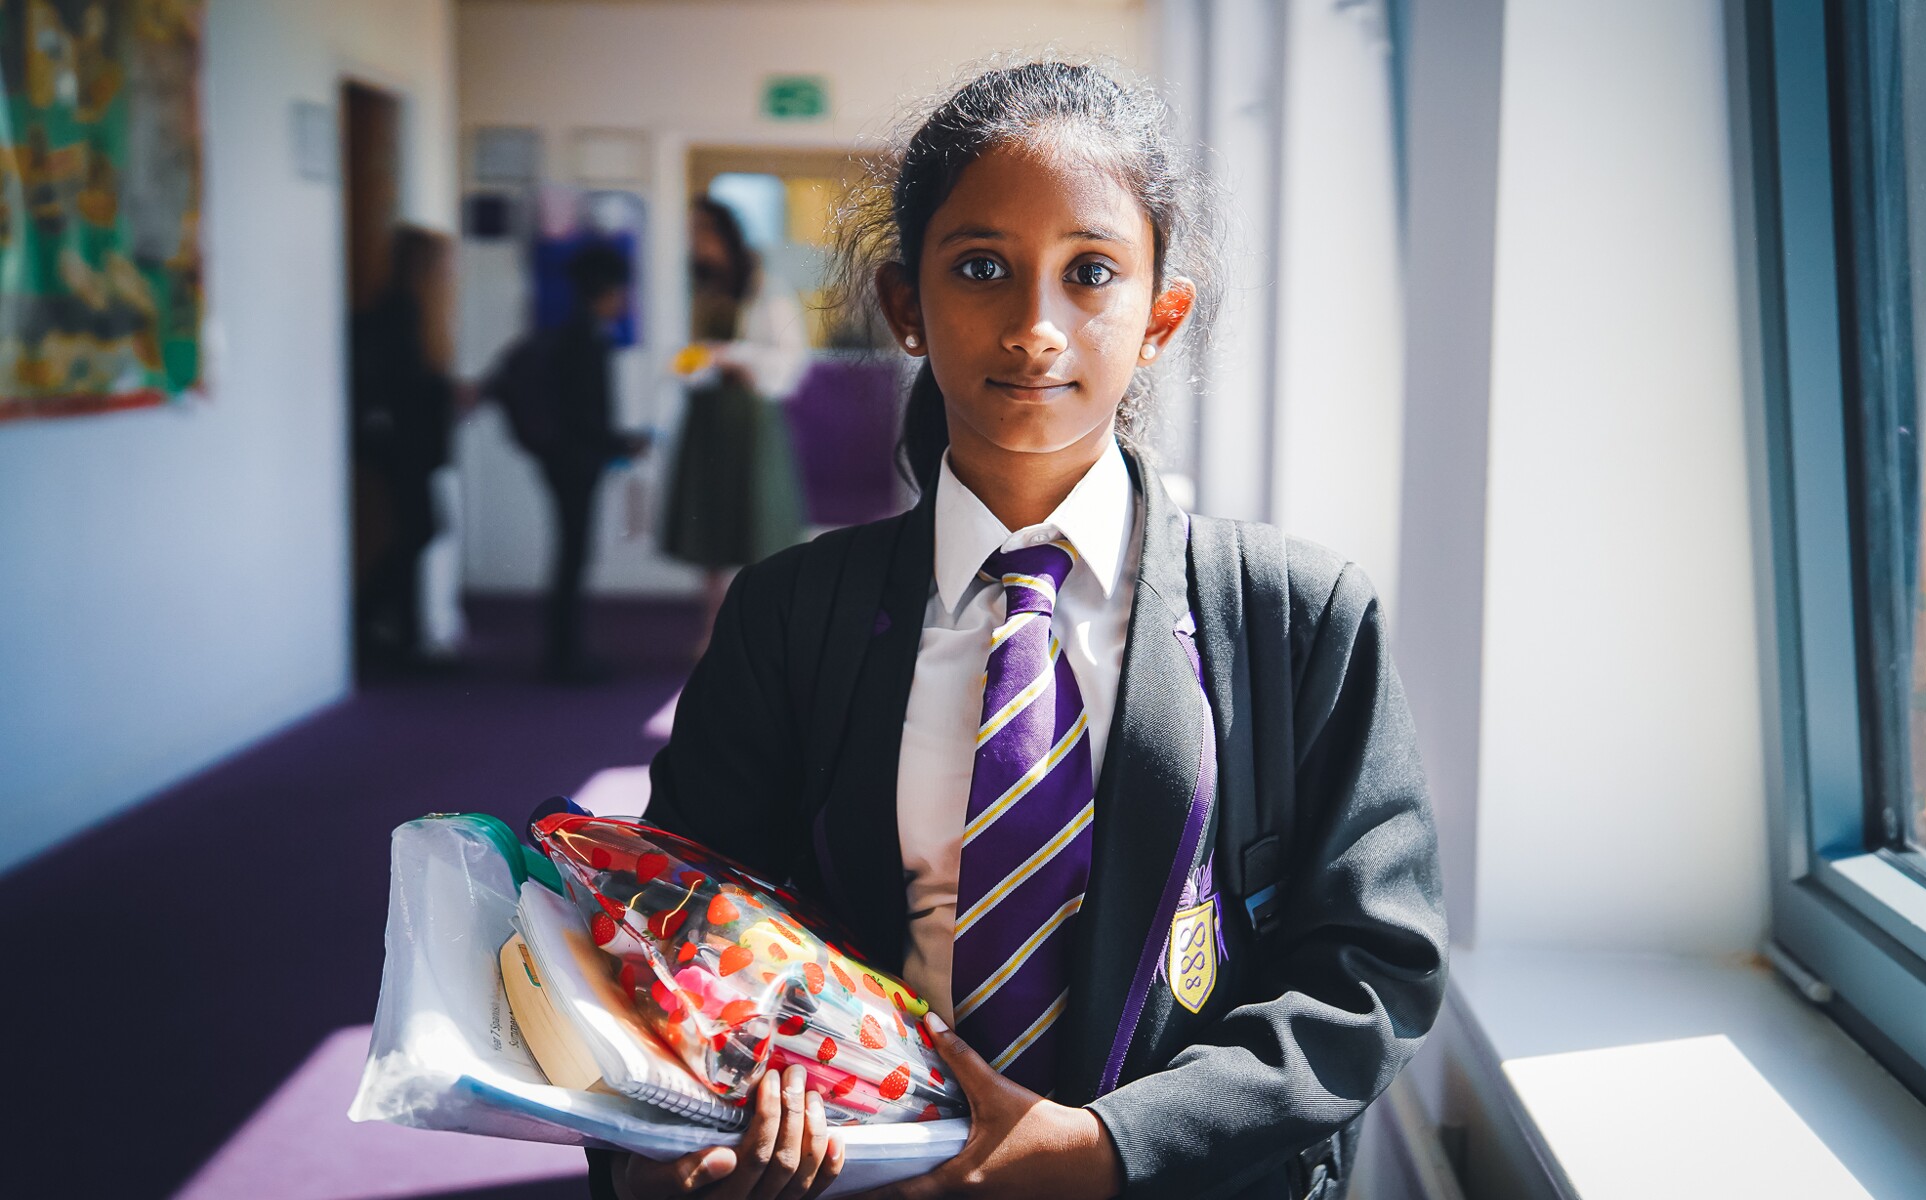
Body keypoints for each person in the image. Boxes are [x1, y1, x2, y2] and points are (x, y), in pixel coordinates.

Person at [592, 61, 1447, 1200]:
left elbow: (1369, 967)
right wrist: (684, 1134)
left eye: (1089, 272)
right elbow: (687, 916)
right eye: (981, 268)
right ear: (907, 307)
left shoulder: (1296, 617)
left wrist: (1109, 1150)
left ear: (1158, 317)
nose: (1035, 328)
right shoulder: (789, 616)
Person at [661, 197, 812, 643]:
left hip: (749, 419)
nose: (697, 242)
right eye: (691, 233)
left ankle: (757, 630)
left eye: (704, 231)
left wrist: (732, 355)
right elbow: (675, 353)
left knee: (756, 525)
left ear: (725, 234)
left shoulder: (764, 286)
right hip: (707, 418)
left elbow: (790, 358)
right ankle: (712, 629)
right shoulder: (693, 289)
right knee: (710, 529)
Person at [497, 243, 646, 683]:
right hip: (575, 463)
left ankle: (564, 651)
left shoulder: (573, 333)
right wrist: (622, 443)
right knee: (573, 554)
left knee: (570, 553)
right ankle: (565, 656)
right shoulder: (588, 341)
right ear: (607, 291)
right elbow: (586, 416)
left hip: (565, 460)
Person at [351, 224, 457, 669]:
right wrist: (445, 391)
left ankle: (401, 635)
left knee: (419, 531)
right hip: (405, 445)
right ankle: (375, 624)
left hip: (408, 443)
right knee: (421, 530)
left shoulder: (410, 312)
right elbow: (405, 385)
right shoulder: (402, 313)